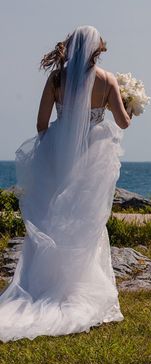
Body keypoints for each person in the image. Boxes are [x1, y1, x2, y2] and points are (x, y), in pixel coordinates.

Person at [0, 26, 132, 342]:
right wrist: (129, 104)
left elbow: (41, 124)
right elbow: (123, 122)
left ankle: (42, 284)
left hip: (59, 155)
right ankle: (80, 288)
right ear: (97, 51)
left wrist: (59, 142)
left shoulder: (56, 80)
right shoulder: (107, 80)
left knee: (51, 220)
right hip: (94, 157)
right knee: (87, 223)